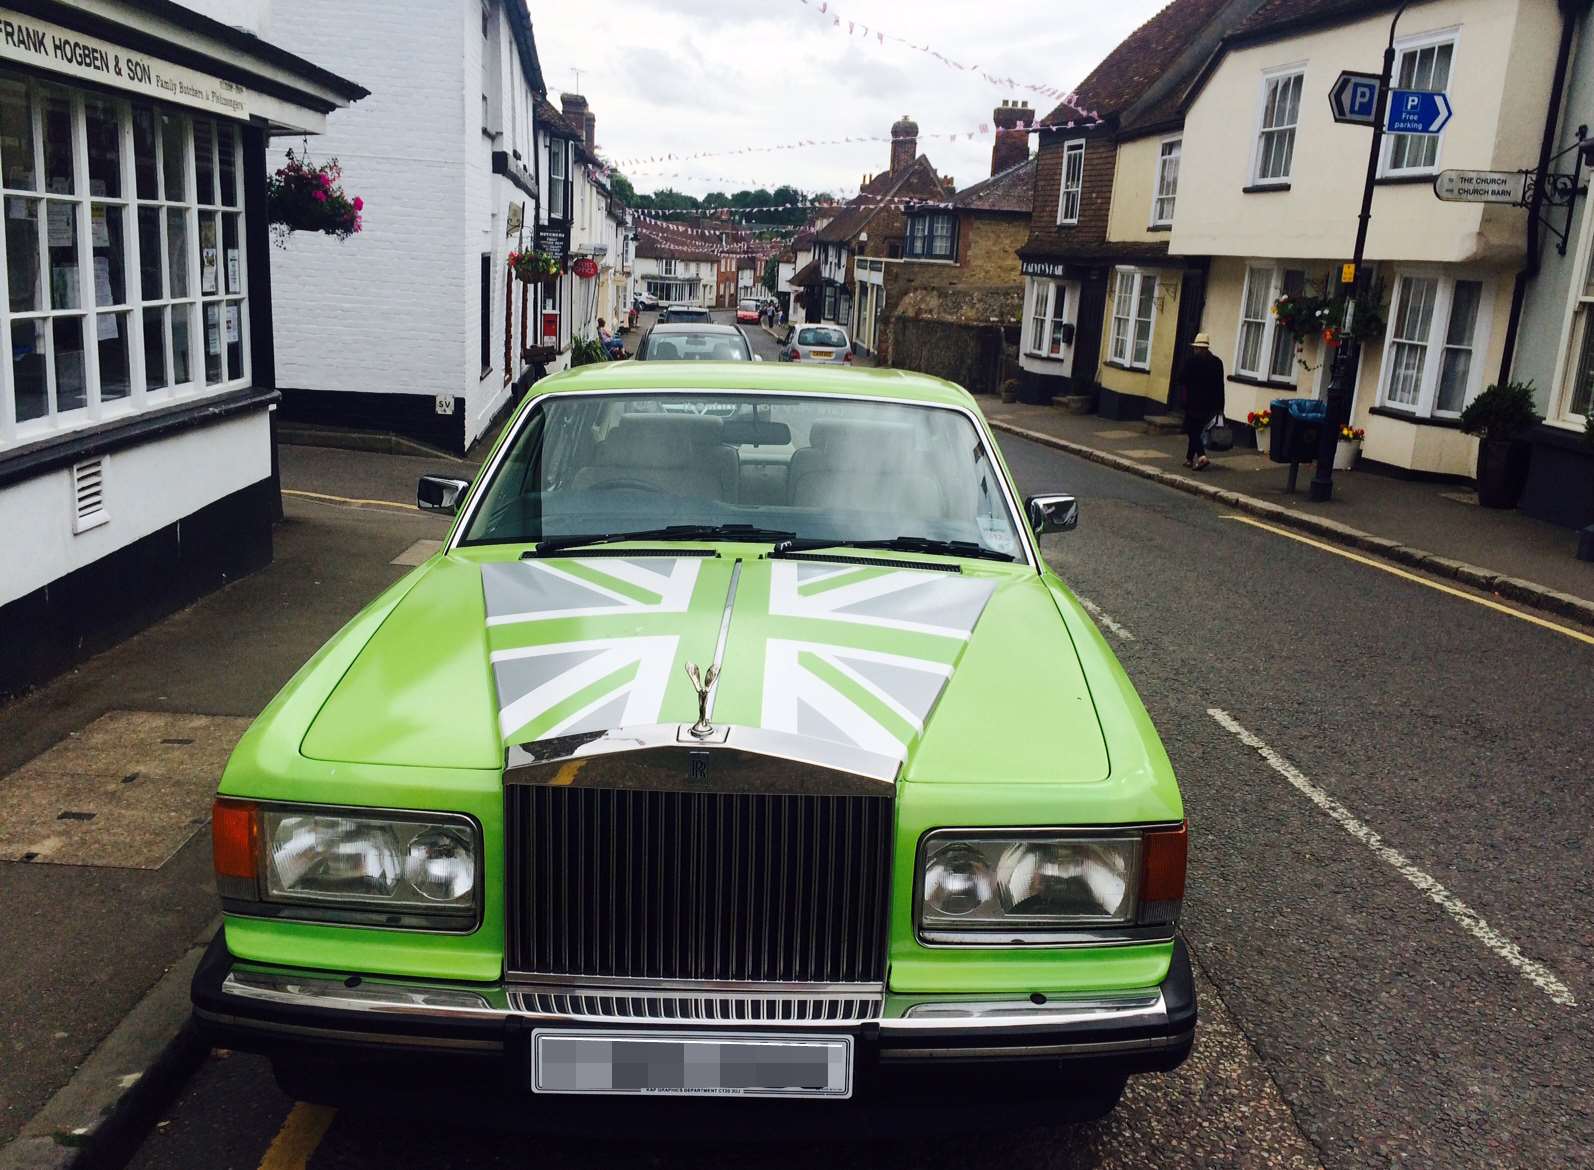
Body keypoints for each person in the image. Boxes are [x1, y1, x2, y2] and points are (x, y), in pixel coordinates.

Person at [1178, 332, 1225, 471]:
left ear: (1198, 348)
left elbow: (1181, 379)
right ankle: (1188, 459)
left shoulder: (1191, 362)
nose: (1195, 350)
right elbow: (1220, 385)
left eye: (1196, 348)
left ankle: (1202, 456)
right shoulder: (1217, 362)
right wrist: (1221, 406)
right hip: (1211, 404)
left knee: (1193, 431)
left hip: (1193, 403)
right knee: (1197, 430)